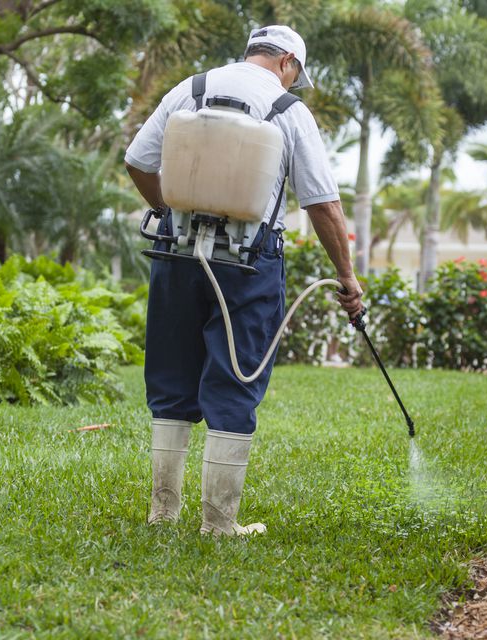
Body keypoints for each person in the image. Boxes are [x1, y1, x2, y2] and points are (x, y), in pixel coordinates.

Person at [124, 25, 364, 537]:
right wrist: (346, 277)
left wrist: (168, 211)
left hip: (176, 250)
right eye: (296, 74)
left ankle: (163, 513)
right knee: (237, 375)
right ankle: (219, 523)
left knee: (170, 375)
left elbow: (139, 161)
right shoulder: (288, 109)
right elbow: (322, 204)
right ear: (288, 63)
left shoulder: (190, 89)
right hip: (248, 262)